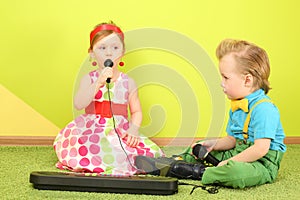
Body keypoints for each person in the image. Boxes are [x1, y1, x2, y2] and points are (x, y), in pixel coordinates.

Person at [135, 39, 286, 188]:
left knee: (236, 172)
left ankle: (200, 172)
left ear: (247, 80)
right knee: (196, 148)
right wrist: (214, 144)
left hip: (261, 163)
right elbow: (233, 140)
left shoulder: (264, 109)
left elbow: (260, 149)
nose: (221, 83)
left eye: (226, 77)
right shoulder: (237, 105)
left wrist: (228, 163)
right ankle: (171, 163)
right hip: (238, 152)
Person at [53, 21, 164, 176]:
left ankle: (122, 159)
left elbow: (137, 111)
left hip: (119, 129)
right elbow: (79, 103)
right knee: (92, 146)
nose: (109, 53)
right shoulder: (89, 79)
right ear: (91, 53)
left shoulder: (128, 82)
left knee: (141, 151)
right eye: (102, 48)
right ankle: (99, 159)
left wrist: (133, 129)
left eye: (115, 47)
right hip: (92, 129)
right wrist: (98, 82)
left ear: (123, 52)